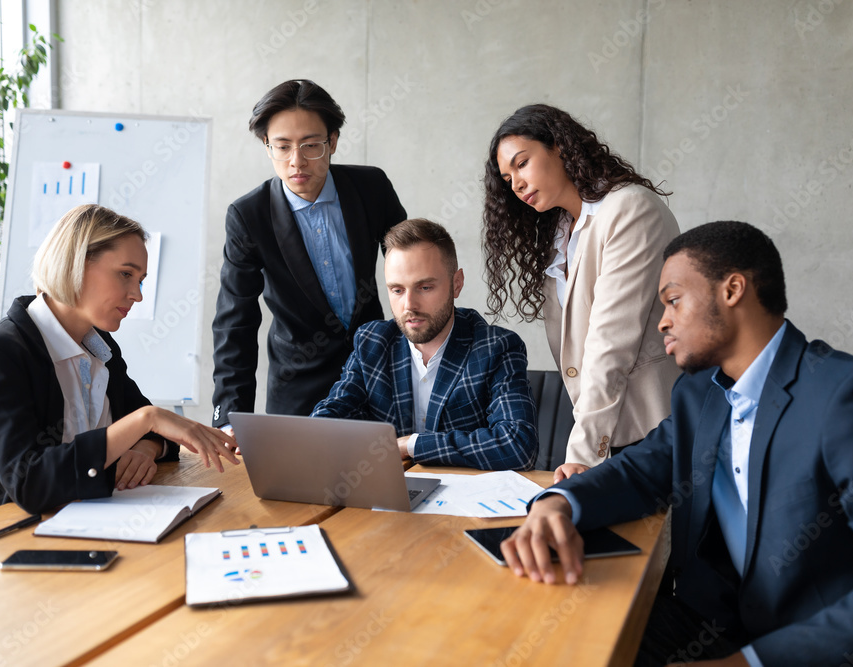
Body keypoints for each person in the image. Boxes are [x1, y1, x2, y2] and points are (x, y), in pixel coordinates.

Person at [501, 221, 853, 666]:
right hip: (713, 625)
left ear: (733, 289)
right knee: (557, 626)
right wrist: (556, 503)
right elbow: (641, 470)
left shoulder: (850, 395)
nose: (662, 321)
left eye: (674, 301)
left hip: (813, 647)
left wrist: (745, 664)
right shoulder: (699, 394)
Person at [0, 205, 239, 520]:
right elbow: (31, 484)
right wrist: (145, 420)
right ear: (75, 264)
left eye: (140, 280)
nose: (137, 295)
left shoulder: (99, 346)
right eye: (126, 274)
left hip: (81, 518)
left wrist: (145, 448)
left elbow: (158, 432)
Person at [482, 104, 680, 472]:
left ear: (559, 146)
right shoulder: (559, 236)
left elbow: (610, 346)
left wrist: (582, 456)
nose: (517, 184)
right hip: (606, 435)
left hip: (655, 431)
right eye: (508, 180)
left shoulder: (629, 210)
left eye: (522, 163)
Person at [212, 79, 407, 426]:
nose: (296, 161)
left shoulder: (371, 187)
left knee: (391, 477)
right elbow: (235, 322)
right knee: (298, 481)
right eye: (282, 147)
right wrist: (228, 418)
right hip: (298, 385)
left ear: (333, 141)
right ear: (266, 145)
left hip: (378, 373)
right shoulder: (248, 216)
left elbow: (412, 267)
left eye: (311, 145)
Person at [312, 218, 538, 471]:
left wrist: (412, 445)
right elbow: (327, 421)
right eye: (397, 290)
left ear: (456, 283)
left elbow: (518, 446)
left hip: (461, 502)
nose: (409, 305)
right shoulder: (372, 342)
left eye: (425, 287)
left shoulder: (496, 347)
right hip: (387, 495)